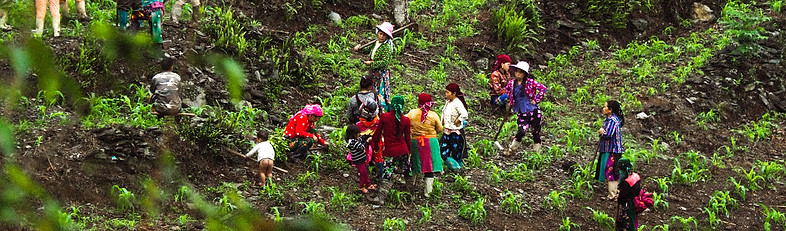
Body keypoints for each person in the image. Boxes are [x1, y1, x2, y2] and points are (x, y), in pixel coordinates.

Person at [369, 95, 411, 205]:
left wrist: (376, 147)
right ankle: (411, 195)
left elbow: (377, 134)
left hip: (390, 151)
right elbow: (407, 138)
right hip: (403, 150)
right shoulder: (406, 120)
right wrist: (409, 152)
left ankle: (380, 198)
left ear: (391, 105)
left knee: (387, 174)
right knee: (407, 172)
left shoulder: (384, 117)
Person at [504, 61, 547, 155]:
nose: (518, 74)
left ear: (524, 74)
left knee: (535, 131)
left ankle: (537, 152)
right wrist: (511, 102)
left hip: (533, 110)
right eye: (516, 71)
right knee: (521, 130)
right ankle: (512, 149)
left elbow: (543, 88)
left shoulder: (530, 83)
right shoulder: (512, 84)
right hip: (521, 110)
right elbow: (507, 91)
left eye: (520, 72)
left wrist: (536, 99)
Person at [405, 93, 443, 196]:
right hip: (430, 142)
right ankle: (428, 192)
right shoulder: (433, 115)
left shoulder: (412, 113)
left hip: (415, 142)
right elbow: (440, 129)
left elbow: (405, 123)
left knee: (414, 163)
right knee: (429, 167)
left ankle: (411, 187)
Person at [353, 21, 395, 106]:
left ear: (387, 36)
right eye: (380, 34)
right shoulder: (376, 43)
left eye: (384, 35)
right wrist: (359, 48)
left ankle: (379, 107)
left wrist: (372, 63)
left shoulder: (386, 47)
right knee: (371, 88)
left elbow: (384, 62)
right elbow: (369, 51)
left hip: (380, 73)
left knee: (379, 91)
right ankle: (369, 105)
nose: (381, 36)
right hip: (373, 72)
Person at [597, 100, 625, 200]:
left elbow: (608, 134)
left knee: (611, 171)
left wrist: (601, 132)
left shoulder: (613, 120)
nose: (603, 108)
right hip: (609, 149)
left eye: (605, 107)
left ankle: (613, 194)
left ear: (610, 110)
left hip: (613, 150)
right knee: (609, 170)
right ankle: (614, 192)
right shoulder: (609, 119)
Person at [440, 83, 468, 171]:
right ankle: (455, 167)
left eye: (448, 92)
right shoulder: (448, 103)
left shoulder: (457, 103)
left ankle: (458, 170)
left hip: (455, 132)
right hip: (447, 130)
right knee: (443, 151)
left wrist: (459, 120)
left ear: (454, 93)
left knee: (456, 152)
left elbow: (465, 114)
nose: (446, 94)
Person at [345, 124, 376, 194]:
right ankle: (361, 187)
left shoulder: (355, 140)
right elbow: (362, 147)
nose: (359, 134)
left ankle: (368, 184)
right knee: (363, 173)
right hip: (358, 160)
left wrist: (365, 135)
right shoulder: (353, 142)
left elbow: (360, 139)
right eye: (358, 133)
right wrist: (367, 141)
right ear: (354, 134)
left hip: (362, 159)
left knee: (365, 172)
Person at [615, 158, 641, 231]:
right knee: (633, 219)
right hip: (635, 200)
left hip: (629, 203)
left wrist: (619, 199)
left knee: (629, 222)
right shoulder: (635, 176)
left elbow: (623, 195)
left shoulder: (627, 181)